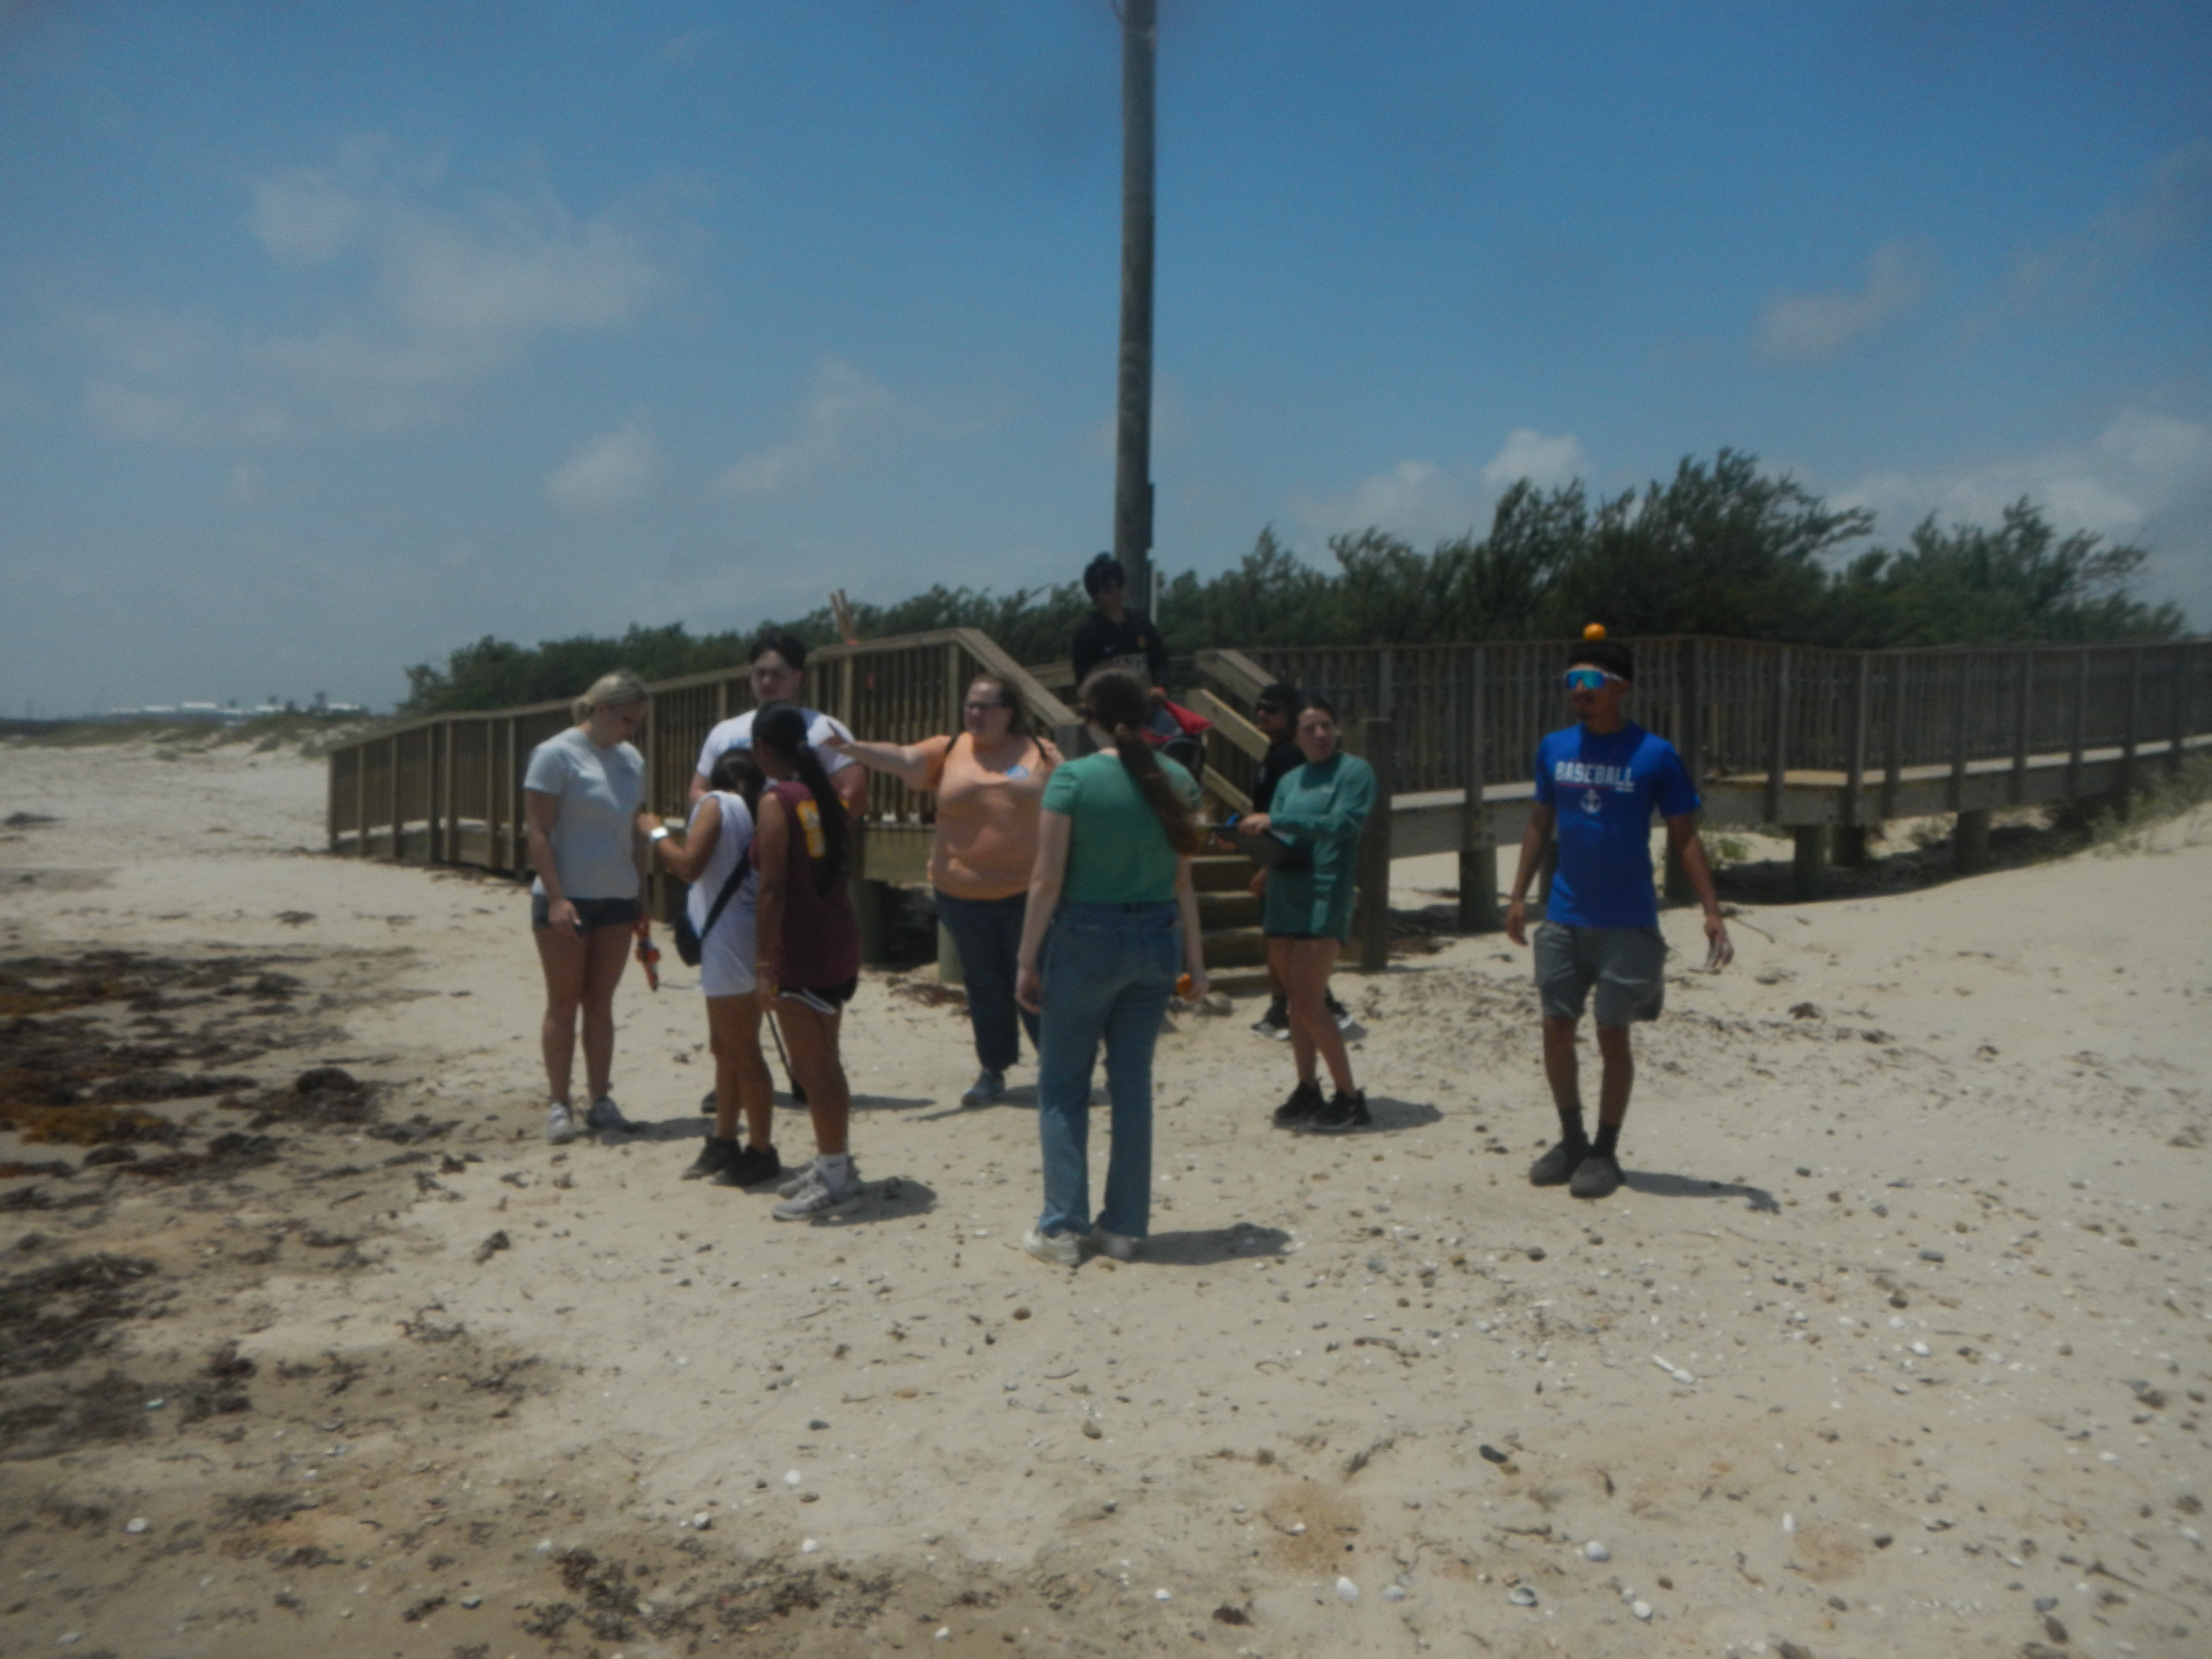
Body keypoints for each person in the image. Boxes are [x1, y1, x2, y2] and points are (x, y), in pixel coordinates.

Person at [1504, 637, 1733, 1200]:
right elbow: (1539, 823)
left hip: (1628, 918)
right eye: (1571, 682)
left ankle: (1606, 1150)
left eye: (1590, 682)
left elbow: (1684, 836)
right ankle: (1571, 1139)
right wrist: (1517, 896)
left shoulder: (1654, 754)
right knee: (1556, 1027)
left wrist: (1711, 909)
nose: (1578, 693)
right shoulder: (1554, 748)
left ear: (1621, 689)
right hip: (1564, 913)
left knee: (1613, 1033)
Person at [1015, 667, 1210, 1266]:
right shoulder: (1177, 777)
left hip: (1086, 937)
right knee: (1132, 1088)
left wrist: (1026, 959)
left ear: (1090, 716)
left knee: (1063, 1087)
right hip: (1156, 939)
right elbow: (1183, 879)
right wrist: (1197, 960)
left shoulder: (1072, 779)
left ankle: (1064, 1228)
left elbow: (1046, 881)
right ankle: (1124, 1227)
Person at [823, 674, 1061, 1106]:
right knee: (984, 982)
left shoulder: (1043, 753)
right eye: (970, 705)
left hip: (1030, 894)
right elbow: (902, 758)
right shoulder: (950, 749)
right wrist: (855, 750)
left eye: (985, 706)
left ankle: (1058, 1069)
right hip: (961, 893)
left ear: (1009, 711)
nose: (974, 713)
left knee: (1037, 979)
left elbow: (1074, 805)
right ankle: (993, 1070)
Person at [1238, 694, 1377, 1133]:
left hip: (1326, 890)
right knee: (1293, 1001)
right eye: (1309, 729)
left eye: (1325, 726)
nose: (1319, 735)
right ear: (1296, 737)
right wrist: (1257, 852)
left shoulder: (1355, 772)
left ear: (1337, 729)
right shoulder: (1291, 778)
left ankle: (1351, 1097)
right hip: (1285, 889)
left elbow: (1344, 825)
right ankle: (1306, 1087)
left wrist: (1279, 822)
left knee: (1311, 999)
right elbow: (1283, 833)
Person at [749, 702, 867, 1220]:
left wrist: (760, 964)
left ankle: (837, 1175)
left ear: (762, 750)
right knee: (825, 1059)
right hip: (837, 936)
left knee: (813, 1068)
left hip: (802, 947)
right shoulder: (823, 796)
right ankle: (832, 1160)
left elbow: (772, 887)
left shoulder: (778, 801)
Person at [523, 670, 650, 1145]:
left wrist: (643, 894)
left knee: (601, 1003)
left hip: (617, 895)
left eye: (637, 722)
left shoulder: (630, 759)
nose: (631, 729)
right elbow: (538, 831)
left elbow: (632, 830)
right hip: (567, 896)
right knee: (564, 1003)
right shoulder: (555, 754)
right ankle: (559, 1103)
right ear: (598, 710)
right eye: (625, 719)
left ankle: (601, 1099)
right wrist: (556, 897)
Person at [644, 748, 781, 1188]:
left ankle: (761, 1149)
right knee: (728, 1046)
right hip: (744, 930)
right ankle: (724, 1138)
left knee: (740, 1050)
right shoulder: (755, 808)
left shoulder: (715, 805)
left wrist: (656, 832)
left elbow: (688, 866)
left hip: (726, 938)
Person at [1239, 681, 1349, 1042]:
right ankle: (1305, 1005)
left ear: (1291, 717)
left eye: (1272, 709)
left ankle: (1296, 1008)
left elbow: (1288, 820)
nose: (1262, 714)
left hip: (1288, 861)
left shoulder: (1288, 757)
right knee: (1286, 939)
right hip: (1281, 856)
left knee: (1284, 939)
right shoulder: (1276, 755)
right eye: (1259, 706)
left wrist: (1268, 865)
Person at [690, 631, 868, 814]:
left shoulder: (826, 730)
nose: (767, 681)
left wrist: (804, 824)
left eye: (777, 674)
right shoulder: (724, 732)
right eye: (761, 673)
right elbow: (698, 791)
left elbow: (856, 792)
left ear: (798, 678)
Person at [1070, 553, 1169, 691]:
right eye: (1108, 589)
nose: (1116, 593)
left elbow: (1160, 661)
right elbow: (1084, 676)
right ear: (1095, 593)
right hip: (1110, 708)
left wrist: (1160, 687)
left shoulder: (1141, 623)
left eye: (1120, 586)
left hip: (1148, 703)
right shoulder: (1087, 632)